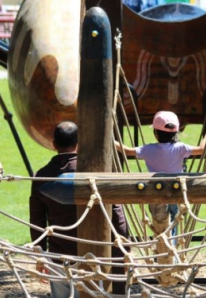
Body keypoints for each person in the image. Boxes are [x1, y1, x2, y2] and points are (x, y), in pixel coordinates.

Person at [30, 121, 129, 298]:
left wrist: (40, 254)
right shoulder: (96, 172)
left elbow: (37, 221)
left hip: (59, 256)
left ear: (54, 144)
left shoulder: (42, 176)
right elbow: (117, 213)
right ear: (80, 142)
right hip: (95, 255)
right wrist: (125, 251)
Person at [115, 111, 206, 237]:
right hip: (177, 190)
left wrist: (111, 140)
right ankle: (170, 250)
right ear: (176, 132)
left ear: (156, 134)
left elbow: (127, 151)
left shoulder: (148, 149)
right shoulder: (181, 148)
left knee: (159, 225)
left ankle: (161, 251)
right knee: (174, 223)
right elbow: (201, 149)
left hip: (156, 191)